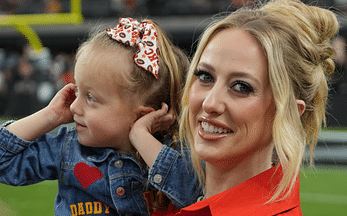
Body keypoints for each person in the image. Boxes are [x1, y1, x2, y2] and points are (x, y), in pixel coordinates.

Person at [129, 0, 339, 215]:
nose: (210, 103)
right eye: (205, 76)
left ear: (290, 114)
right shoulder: (149, 191)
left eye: (241, 87)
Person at [0, 17, 200, 216]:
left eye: (90, 98)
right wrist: (49, 116)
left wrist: (140, 136)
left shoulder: (173, 151)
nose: (75, 107)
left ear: (141, 116)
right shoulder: (68, 148)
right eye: (77, 90)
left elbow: (196, 196)